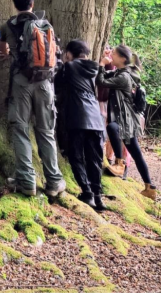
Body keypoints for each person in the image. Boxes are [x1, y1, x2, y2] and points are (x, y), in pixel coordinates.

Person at [0, 0, 66, 198]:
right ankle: (54, 181)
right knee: (46, 131)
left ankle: (26, 181)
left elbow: (3, 50)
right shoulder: (45, 24)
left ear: (15, 4)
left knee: (21, 130)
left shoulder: (8, 25)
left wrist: (10, 51)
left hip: (21, 82)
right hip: (45, 83)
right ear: (32, 4)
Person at [98, 44, 157, 200]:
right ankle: (149, 187)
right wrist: (107, 59)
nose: (113, 57)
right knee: (137, 154)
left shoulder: (124, 77)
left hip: (126, 120)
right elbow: (110, 75)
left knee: (111, 127)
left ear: (123, 59)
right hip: (127, 120)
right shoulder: (124, 72)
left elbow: (101, 81)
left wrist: (102, 64)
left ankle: (120, 163)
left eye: (115, 55)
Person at [57, 39, 106, 210]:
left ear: (70, 53)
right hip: (96, 120)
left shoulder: (70, 67)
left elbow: (57, 85)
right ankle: (98, 197)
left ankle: (87, 192)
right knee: (94, 160)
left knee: (76, 156)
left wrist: (61, 64)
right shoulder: (93, 69)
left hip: (78, 117)